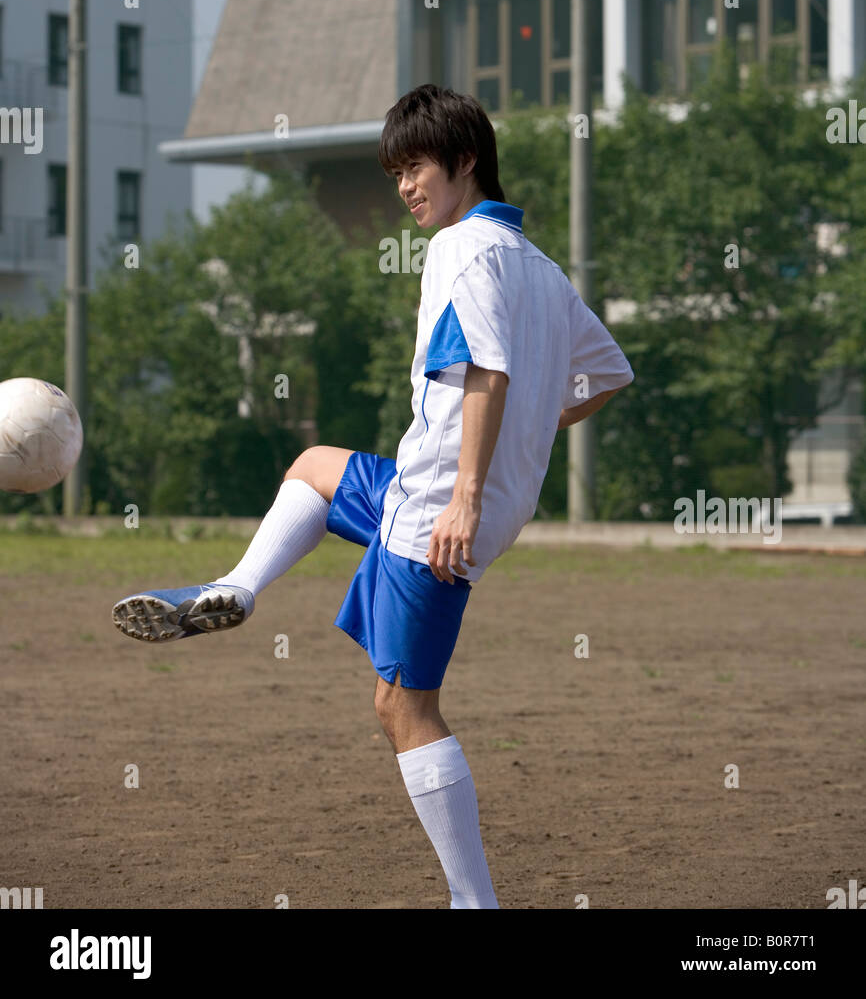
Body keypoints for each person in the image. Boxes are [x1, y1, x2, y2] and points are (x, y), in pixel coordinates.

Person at [112, 83, 634, 909]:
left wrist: (464, 496)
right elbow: (608, 374)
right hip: (453, 498)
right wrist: (529, 435)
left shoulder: (460, 250)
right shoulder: (541, 267)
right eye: (395, 172)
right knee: (314, 465)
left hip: (435, 512)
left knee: (403, 706)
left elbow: (488, 370)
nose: (404, 187)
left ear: (465, 163)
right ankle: (235, 586)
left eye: (416, 167)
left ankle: (475, 901)